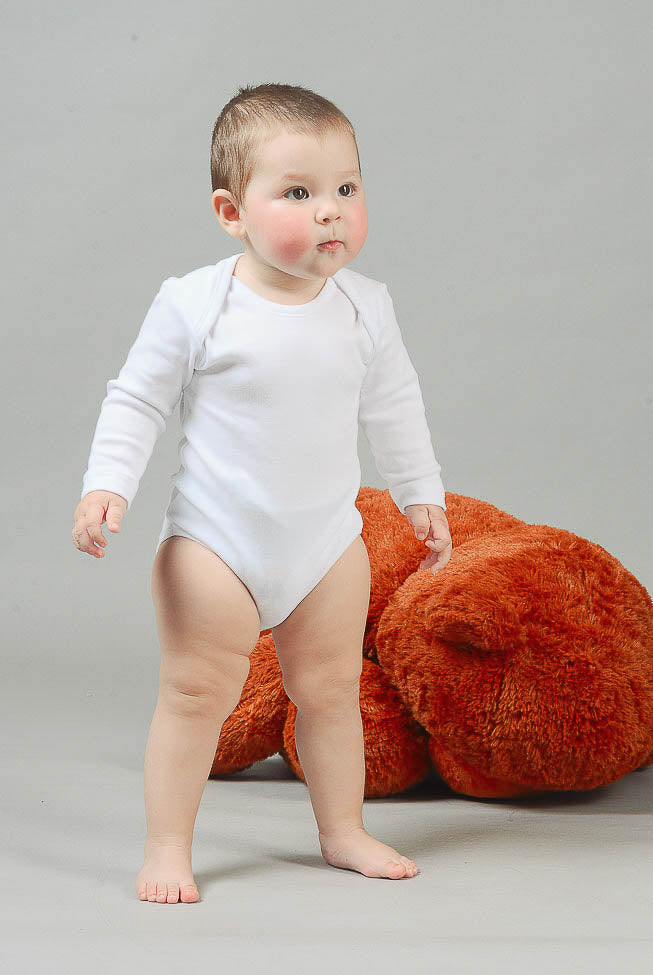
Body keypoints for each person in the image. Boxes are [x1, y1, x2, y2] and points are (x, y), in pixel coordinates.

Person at [72, 83, 453, 904]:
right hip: (216, 544)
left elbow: (393, 405)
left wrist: (420, 492)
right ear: (230, 212)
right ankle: (168, 845)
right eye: (298, 193)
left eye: (345, 187)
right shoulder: (196, 303)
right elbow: (137, 399)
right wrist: (108, 484)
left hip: (325, 545)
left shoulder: (365, 306)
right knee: (193, 693)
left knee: (331, 694)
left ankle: (342, 829)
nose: (330, 211)